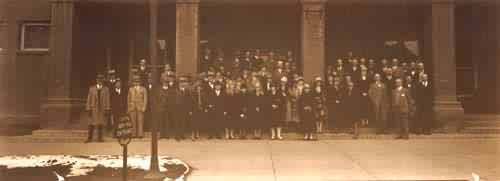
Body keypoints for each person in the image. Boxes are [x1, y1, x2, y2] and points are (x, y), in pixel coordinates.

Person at [85, 74, 111, 143]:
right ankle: (89, 138)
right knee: (91, 124)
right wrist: (88, 108)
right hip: (94, 108)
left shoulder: (106, 89)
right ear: (96, 80)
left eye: (101, 79)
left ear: (102, 81)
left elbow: (107, 99)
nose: (99, 81)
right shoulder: (92, 89)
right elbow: (89, 99)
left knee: (100, 124)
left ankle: (100, 138)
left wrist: (107, 108)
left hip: (102, 108)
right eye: (98, 79)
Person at [175, 76, 194, 141]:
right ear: (179, 83)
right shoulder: (176, 91)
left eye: (184, 82)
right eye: (181, 82)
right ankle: (177, 136)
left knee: (183, 122)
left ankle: (182, 135)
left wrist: (189, 109)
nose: (182, 84)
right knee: (177, 122)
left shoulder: (187, 91)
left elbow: (189, 100)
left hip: (184, 109)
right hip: (177, 108)